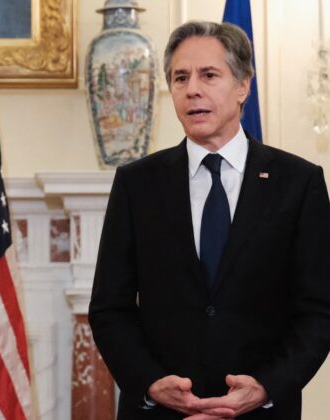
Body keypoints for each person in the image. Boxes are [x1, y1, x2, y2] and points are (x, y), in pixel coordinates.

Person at [89, 21, 330, 420]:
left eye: (209, 75)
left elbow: (319, 310)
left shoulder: (299, 183)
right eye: (180, 77)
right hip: (160, 412)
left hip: (262, 412)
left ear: (243, 86)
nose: (192, 89)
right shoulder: (136, 184)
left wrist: (266, 386)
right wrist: (150, 381)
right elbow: (109, 308)